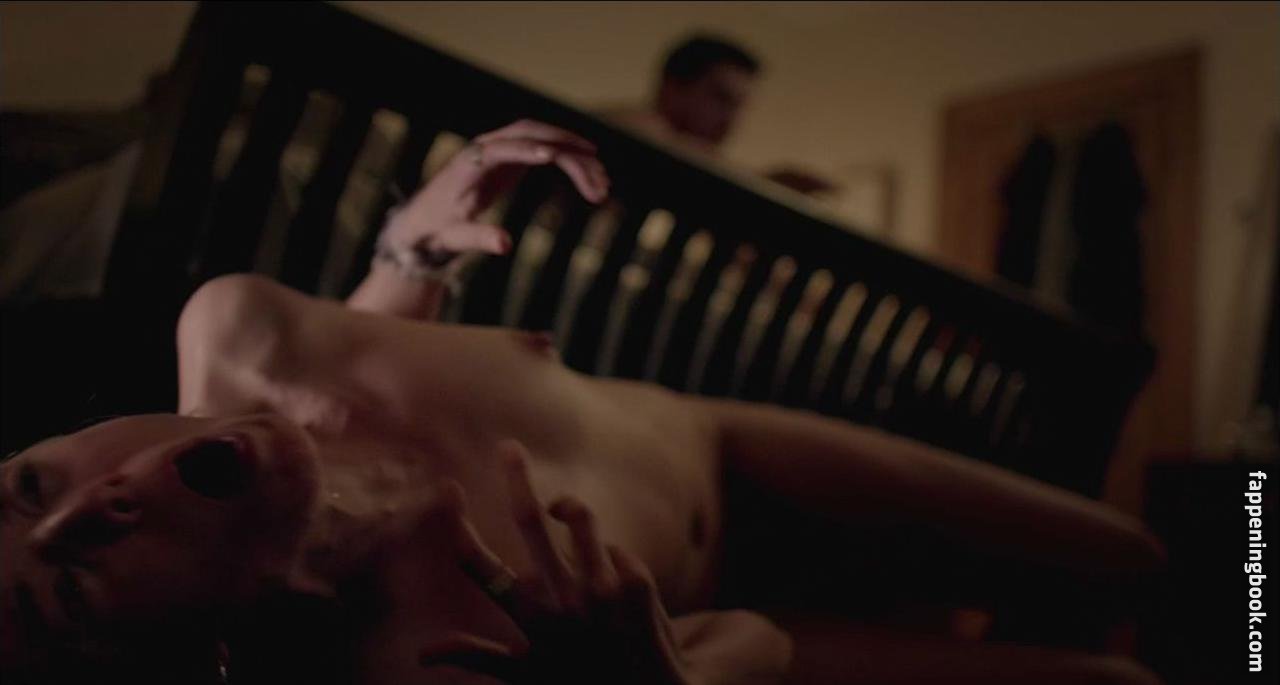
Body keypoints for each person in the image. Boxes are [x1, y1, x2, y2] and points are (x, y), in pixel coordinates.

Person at [1, 120, 1164, 685]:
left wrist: (412, 249)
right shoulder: (431, 659)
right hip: (731, 612)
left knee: (1139, 557)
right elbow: (753, 639)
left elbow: (354, 363)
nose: (92, 504)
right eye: (67, 583)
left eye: (28, 483)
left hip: (722, 444)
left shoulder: (243, 330)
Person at [601, 34, 761, 157]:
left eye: (738, 106)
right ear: (673, 86)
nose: (730, 118)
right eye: (721, 98)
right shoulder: (612, 131)